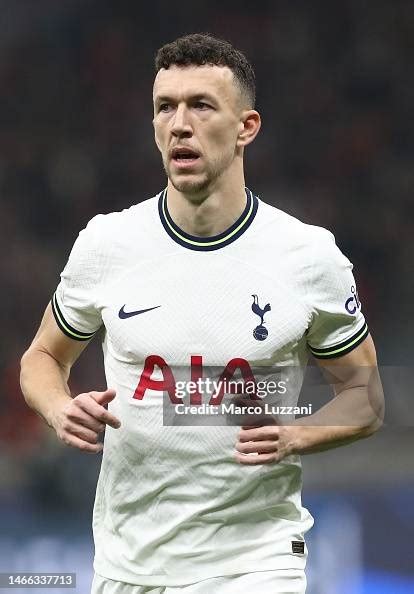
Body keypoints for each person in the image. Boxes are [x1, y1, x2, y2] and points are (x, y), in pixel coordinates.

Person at [20, 33, 383, 594]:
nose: (179, 124)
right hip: (129, 561)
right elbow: (42, 356)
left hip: (255, 561)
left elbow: (365, 398)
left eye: (201, 105)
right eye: (165, 107)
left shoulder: (309, 258)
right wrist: (59, 406)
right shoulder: (106, 244)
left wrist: (295, 435)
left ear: (247, 127)